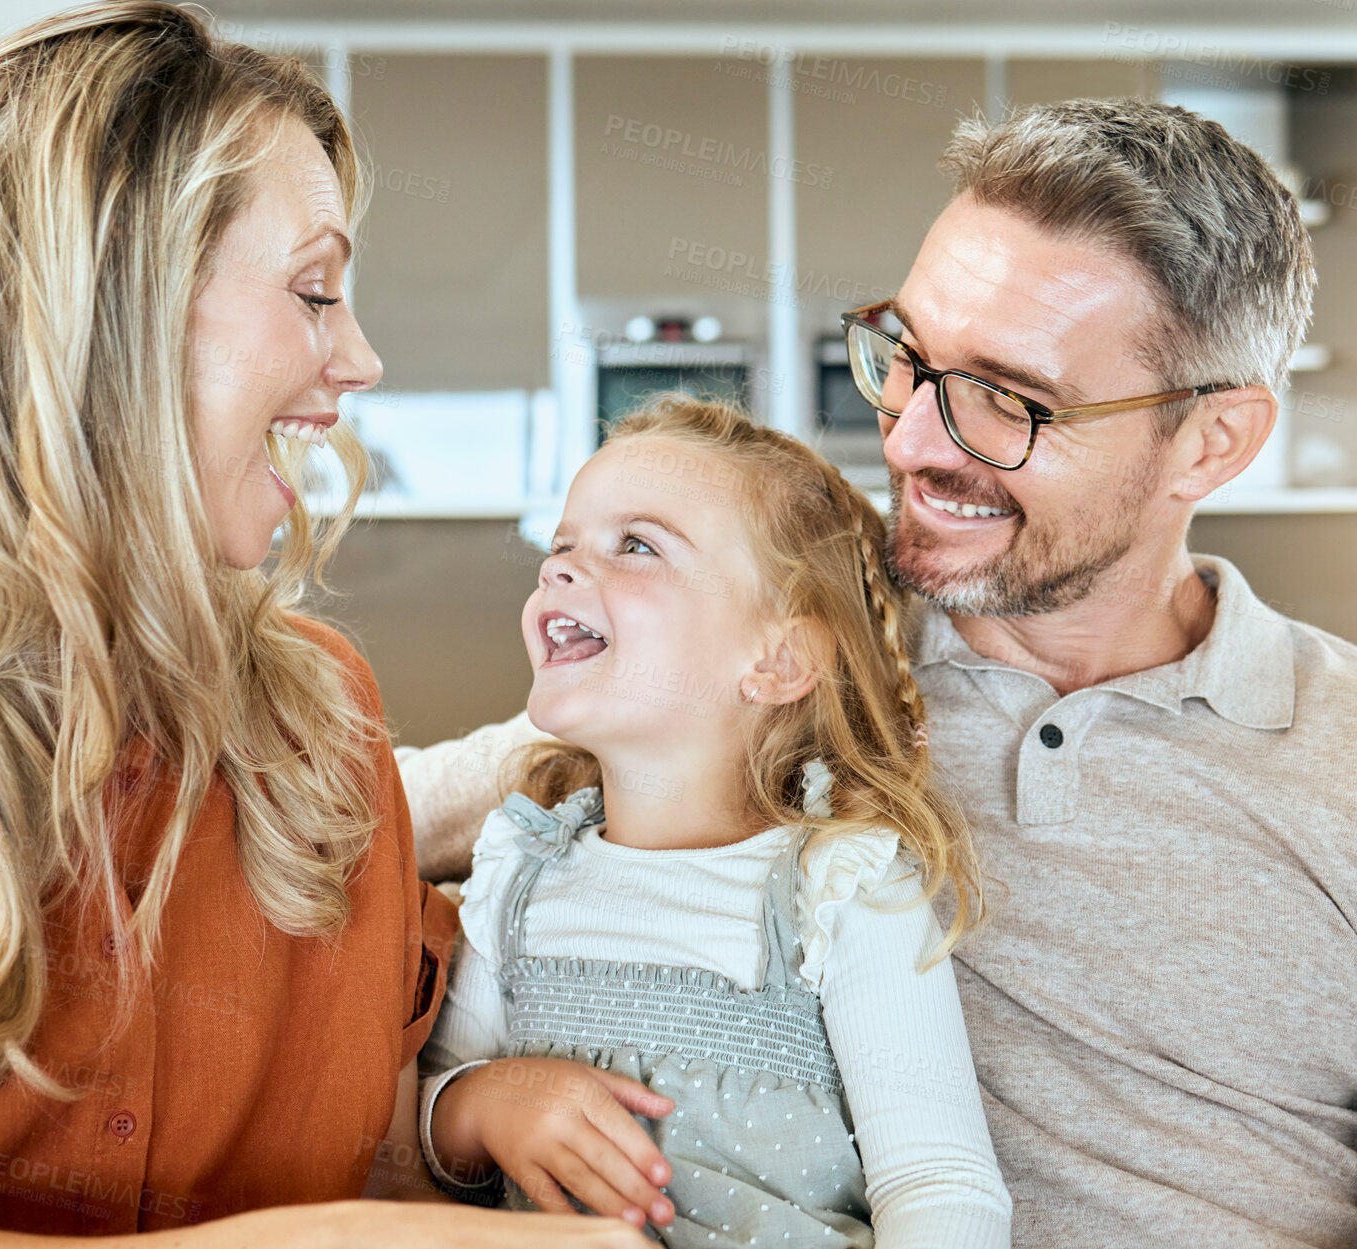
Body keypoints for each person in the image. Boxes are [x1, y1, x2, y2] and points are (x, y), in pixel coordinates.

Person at [0, 5, 648, 1247]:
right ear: (105, 299)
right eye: (315, 292)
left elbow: (388, 1164)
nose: (362, 361)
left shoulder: (323, 715)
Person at [401, 99, 1357, 1249]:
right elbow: (358, 819)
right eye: (907, 359)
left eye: (1008, 401)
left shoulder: (1335, 754)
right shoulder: (784, 663)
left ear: (1211, 441)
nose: (907, 441)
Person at [413, 395, 1012, 1247]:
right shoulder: (518, 876)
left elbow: (938, 1182)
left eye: (637, 545)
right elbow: (422, 1119)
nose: (561, 569)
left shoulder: (838, 885)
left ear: (778, 659)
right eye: (562, 544)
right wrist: (475, 1104)